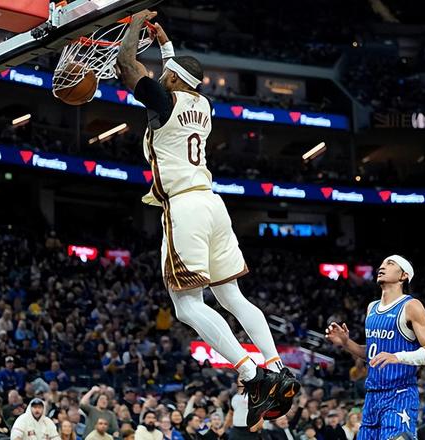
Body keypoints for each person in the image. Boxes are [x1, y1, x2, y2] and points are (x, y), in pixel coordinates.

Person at [115, 10, 299, 428]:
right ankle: (276, 365)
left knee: (186, 306)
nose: (160, 77)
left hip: (185, 208)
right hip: (214, 205)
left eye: (165, 73)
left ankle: (253, 375)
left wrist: (134, 22)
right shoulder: (202, 103)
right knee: (232, 296)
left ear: (172, 79)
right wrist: (165, 46)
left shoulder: (165, 101)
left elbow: (127, 66)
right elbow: (175, 76)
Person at [326, 255, 425, 440]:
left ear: (404, 275)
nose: (382, 266)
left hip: (400, 394)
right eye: (381, 264)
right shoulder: (371, 308)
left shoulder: (411, 306)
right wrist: (347, 343)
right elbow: (373, 355)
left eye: (390, 263)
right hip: (372, 396)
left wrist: (398, 356)